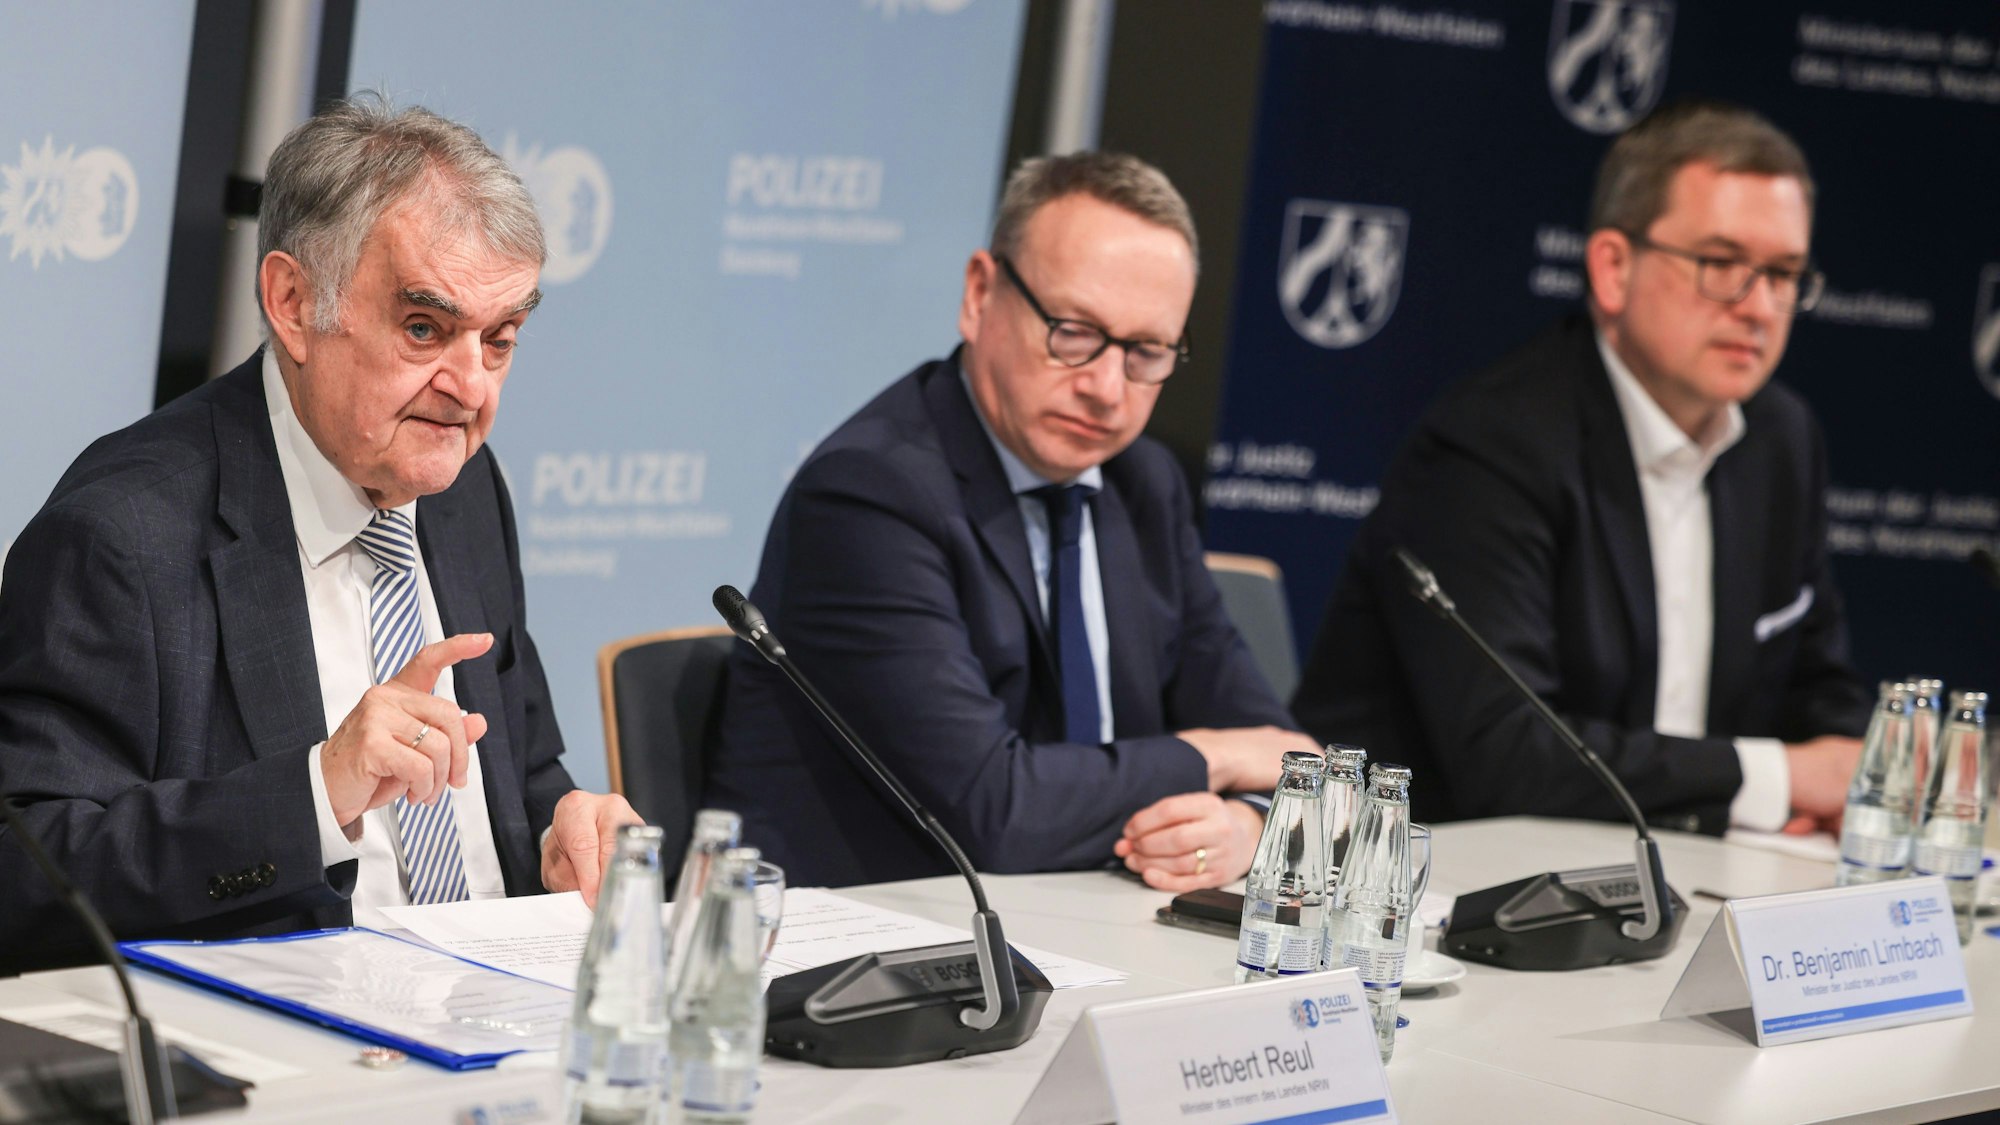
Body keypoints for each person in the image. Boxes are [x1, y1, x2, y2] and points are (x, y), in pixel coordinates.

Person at [0, 98, 639, 972]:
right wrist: (316, 791)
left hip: (497, 1026)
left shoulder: (461, 485)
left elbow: (522, 774)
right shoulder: (124, 535)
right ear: (294, 303)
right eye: (425, 328)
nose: (470, 388)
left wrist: (561, 832)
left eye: (500, 339)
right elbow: (26, 875)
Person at [706, 153, 1317, 889]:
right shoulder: (870, 494)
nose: (1105, 389)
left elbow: (1286, 754)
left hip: (1088, 925)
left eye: (1145, 352)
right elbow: (995, 808)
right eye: (1074, 331)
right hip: (875, 952)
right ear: (980, 294)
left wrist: (1249, 824)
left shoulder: (1142, 482)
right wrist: (1213, 759)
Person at [1292, 99, 1871, 837]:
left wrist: (1831, 786)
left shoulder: (1781, 440)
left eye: (1784, 273)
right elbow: (1512, 755)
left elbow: (1823, 690)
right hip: (1436, 883)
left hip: (1682, 870)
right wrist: (1778, 779)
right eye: (1722, 265)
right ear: (1613, 268)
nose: (1759, 306)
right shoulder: (1494, 442)